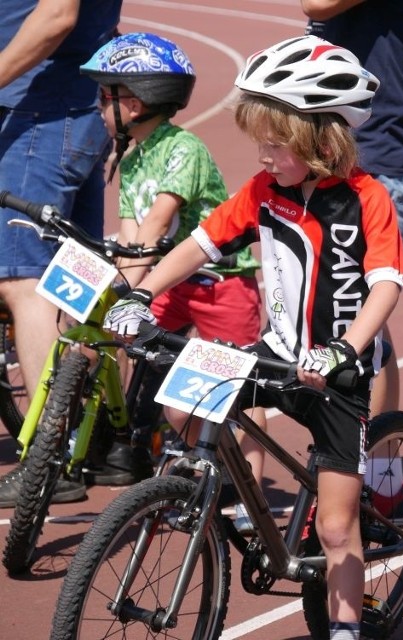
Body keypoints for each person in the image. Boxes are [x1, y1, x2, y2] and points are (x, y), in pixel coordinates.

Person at [102, 35, 403, 639]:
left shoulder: (368, 198)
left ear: (323, 137)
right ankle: (225, 503)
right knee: (181, 405)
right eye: (259, 140)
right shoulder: (265, 191)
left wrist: (345, 350)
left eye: (275, 141)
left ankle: (344, 630)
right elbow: (201, 244)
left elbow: (386, 287)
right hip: (276, 353)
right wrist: (140, 294)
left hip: (335, 373)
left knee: (339, 528)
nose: (263, 153)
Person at [78, 31, 268, 529]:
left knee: (237, 392)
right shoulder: (133, 157)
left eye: (105, 96)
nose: (98, 106)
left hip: (220, 284)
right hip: (169, 285)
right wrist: (115, 292)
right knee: (174, 401)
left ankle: (250, 498)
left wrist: (131, 290)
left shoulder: (182, 147)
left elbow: (159, 221)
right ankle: (185, 467)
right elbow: (130, 235)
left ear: (134, 103)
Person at [0, 0, 122, 506]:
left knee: (23, 280)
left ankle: (45, 461)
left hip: (41, 112)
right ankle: (98, 441)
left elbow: (56, 15)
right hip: (70, 105)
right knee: (78, 279)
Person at [303, 0, 403, 415]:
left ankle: (377, 459)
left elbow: (318, 4)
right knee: (344, 311)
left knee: (362, 312)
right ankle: (375, 452)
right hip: (330, 148)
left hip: (376, 156)